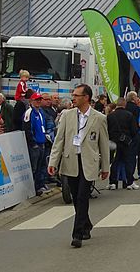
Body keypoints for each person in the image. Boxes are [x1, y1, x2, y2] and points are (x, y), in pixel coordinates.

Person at [48, 84, 110, 248]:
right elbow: (59, 140)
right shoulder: (67, 115)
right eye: (73, 95)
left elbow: (103, 144)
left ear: (86, 98)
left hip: (89, 162)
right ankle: (86, 223)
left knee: (83, 196)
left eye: (76, 95)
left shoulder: (99, 118)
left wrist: (105, 167)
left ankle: (77, 234)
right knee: (76, 197)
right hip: (71, 161)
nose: (73, 98)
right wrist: (53, 162)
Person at [107, 98, 139, 190]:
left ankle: (113, 182)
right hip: (126, 142)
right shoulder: (129, 115)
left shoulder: (110, 116)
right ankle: (129, 182)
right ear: (124, 105)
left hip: (114, 143)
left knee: (114, 163)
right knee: (128, 162)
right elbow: (134, 130)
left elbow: (107, 130)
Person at [125, 92, 140, 180]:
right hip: (134, 133)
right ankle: (131, 173)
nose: (138, 99)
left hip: (139, 132)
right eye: (137, 98)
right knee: (132, 154)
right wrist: (136, 124)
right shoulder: (130, 108)